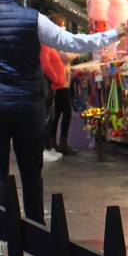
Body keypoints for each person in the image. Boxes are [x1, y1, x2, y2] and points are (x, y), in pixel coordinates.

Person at [0, 0, 127, 256]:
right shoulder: (32, 19)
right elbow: (72, 43)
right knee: (31, 170)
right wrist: (113, 34)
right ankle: (34, 232)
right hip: (27, 106)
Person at [43, 13, 75, 157]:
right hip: (57, 85)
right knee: (60, 114)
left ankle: (57, 143)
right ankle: (55, 144)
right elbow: (46, 64)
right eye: (61, 24)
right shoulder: (49, 43)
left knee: (60, 114)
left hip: (60, 84)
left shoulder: (53, 42)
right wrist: (56, 78)